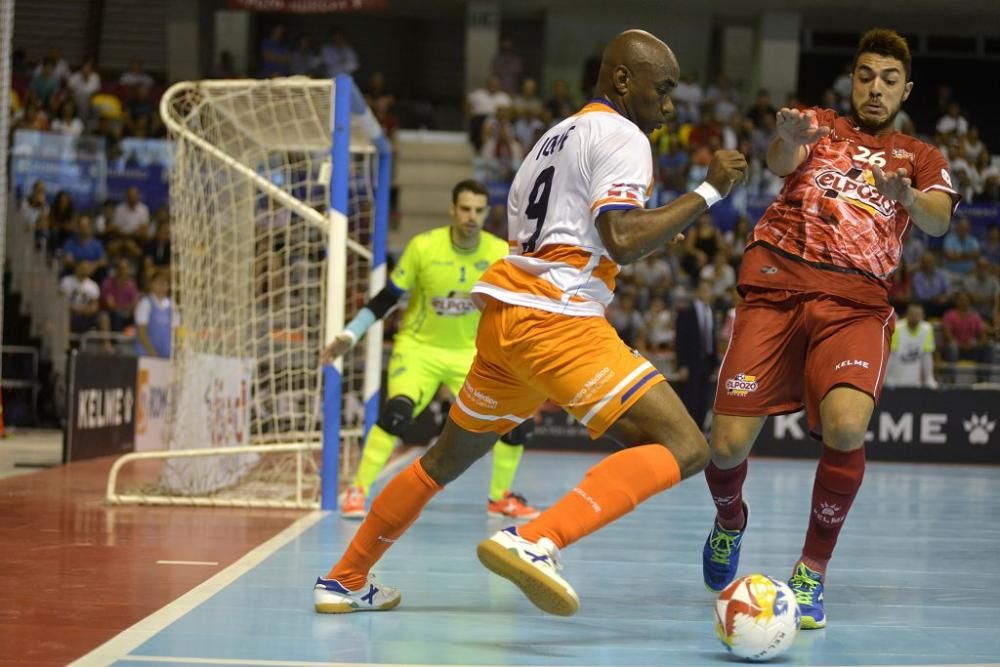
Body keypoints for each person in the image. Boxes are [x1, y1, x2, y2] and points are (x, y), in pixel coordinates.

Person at [312, 28, 747, 616]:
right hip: (558, 318)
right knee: (686, 445)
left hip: (506, 320)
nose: (669, 106)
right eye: (663, 89)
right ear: (623, 79)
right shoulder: (623, 135)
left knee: (441, 460)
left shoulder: (549, 139)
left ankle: (343, 577)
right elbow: (621, 239)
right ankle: (538, 538)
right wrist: (708, 191)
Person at [701, 29, 958, 630]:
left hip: (854, 303)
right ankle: (730, 520)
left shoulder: (920, 158)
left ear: (905, 88)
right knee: (726, 446)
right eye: (866, 75)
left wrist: (908, 199)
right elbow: (780, 160)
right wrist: (787, 141)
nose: (875, 88)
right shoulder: (820, 124)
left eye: (889, 79)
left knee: (846, 428)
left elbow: (940, 220)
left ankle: (812, 569)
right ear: (852, 79)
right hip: (776, 287)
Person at [321, 180, 539, 521]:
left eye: (478, 210)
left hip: (471, 354)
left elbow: (520, 306)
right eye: (465, 209)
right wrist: (352, 333)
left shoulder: (500, 252)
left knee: (517, 425)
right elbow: (387, 299)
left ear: (486, 213)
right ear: (453, 209)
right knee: (397, 414)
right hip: (419, 350)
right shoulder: (423, 247)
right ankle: (357, 490)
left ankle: (500, 498)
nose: (471, 216)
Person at [885, 303, 936, 388]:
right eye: (912, 314)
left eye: (918, 315)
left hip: (915, 383)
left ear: (923, 316)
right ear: (906, 315)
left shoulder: (927, 329)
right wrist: (884, 380)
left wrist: (929, 379)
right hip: (894, 382)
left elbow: (927, 357)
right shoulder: (897, 328)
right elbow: (890, 357)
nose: (915, 317)